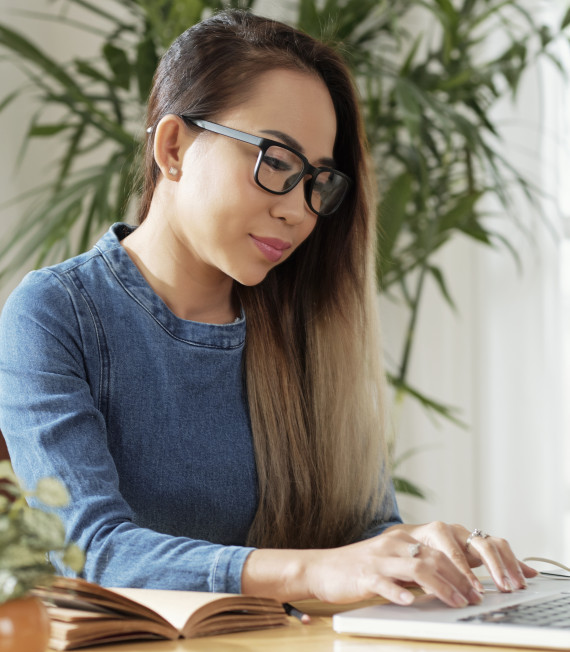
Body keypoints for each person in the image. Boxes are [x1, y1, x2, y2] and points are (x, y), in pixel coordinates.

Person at [0, 9, 535, 608]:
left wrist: (419, 553)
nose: (300, 211)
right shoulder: (55, 314)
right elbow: (92, 549)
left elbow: (362, 533)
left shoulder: (307, 324)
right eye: (276, 162)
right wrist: (313, 573)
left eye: (317, 180)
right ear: (174, 147)